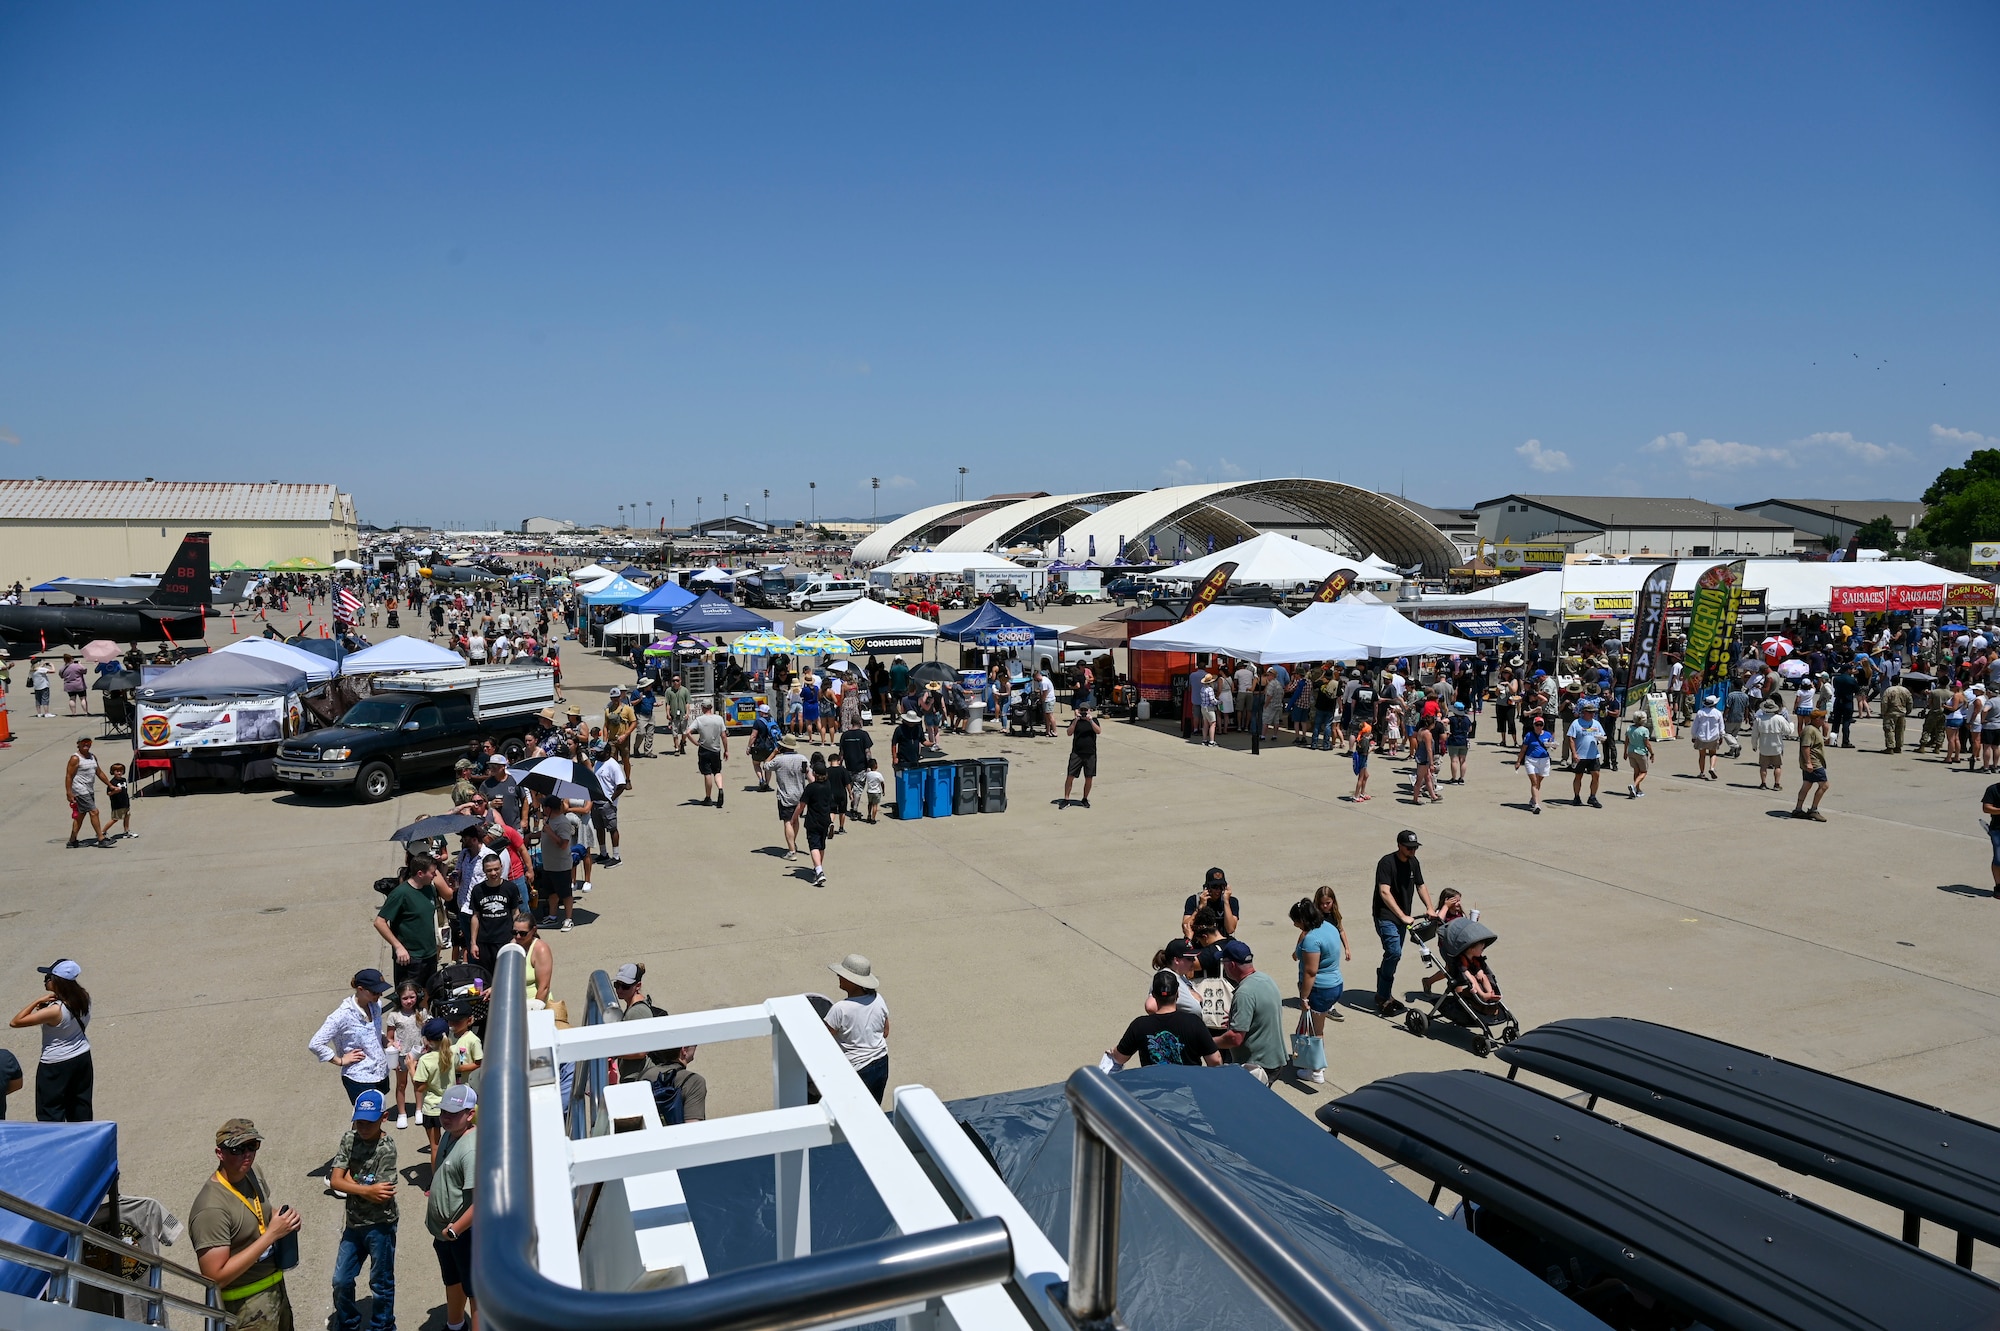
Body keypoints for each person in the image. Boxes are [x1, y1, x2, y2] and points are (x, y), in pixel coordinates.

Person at [192, 1118, 301, 1331]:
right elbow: (215, 1277)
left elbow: (261, 1212)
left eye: (253, 1146)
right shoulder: (211, 1210)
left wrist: (282, 1219)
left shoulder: (252, 1172)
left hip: (275, 1298)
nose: (247, 1154)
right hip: (244, 1313)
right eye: (238, 1149)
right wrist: (271, 1235)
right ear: (220, 1153)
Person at [330, 1090, 398, 1331]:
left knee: (380, 1282)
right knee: (341, 1280)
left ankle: (383, 1325)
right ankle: (348, 1323)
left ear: (384, 1118)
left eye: (370, 1122)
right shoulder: (349, 1139)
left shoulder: (386, 1148)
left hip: (381, 1224)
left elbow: (381, 1194)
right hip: (354, 1224)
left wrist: (350, 1180)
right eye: (360, 1121)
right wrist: (364, 1188)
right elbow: (335, 1180)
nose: (364, 1127)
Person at [10, 959, 93, 1121]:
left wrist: (38, 1001)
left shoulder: (55, 1010)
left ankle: (55, 1143)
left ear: (57, 981)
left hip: (55, 1064)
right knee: (80, 1105)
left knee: (50, 1110)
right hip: (82, 1057)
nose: (45, 981)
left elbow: (16, 1022)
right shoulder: (83, 998)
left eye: (48, 977)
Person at [426, 1084, 479, 1331]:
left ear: (470, 1114)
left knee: (476, 1292)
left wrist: (455, 1230)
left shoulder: (471, 1149)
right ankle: (455, 1325)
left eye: (453, 1113)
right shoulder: (449, 1134)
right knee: (453, 1280)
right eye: (443, 1111)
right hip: (445, 1234)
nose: (445, 1117)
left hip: (463, 1235)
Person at [1371, 830, 1434, 1018]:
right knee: (1394, 952)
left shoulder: (1414, 863)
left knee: (1394, 955)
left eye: (1415, 847)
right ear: (1399, 845)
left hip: (1404, 916)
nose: (1413, 851)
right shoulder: (1386, 863)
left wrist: (1430, 908)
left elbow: (1421, 885)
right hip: (1386, 916)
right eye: (1409, 848)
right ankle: (1383, 995)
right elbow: (1384, 892)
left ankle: (1383, 988)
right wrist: (1401, 915)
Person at [308, 970, 395, 1105]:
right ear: (360, 989)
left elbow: (376, 1031)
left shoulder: (376, 1005)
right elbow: (316, 1043)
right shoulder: (341, 1015)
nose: (380, 995)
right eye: (375, 992)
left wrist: (387, 1043)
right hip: (359, 1078)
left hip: (380, 1072)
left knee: (378, 1116)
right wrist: (340, 1060)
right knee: (366, 1121)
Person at [1109, 972, 1223, 1067]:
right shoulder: (1194, 1023)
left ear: (1153, 995)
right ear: (1177, 994)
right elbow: (1215, 1060)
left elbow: (1119, 1058)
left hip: (1153, 1091)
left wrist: (1113, 1052)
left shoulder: (1139, 1025)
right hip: (1188, 1089)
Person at [1209, 941, 1286, 1083]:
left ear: (1231, 965)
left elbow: (1235, 1038)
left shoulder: (1244, 993)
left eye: (1223, 962)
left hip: (1257, 1066)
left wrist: (1208, 1043)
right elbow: (1262, 1014)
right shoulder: (1265, 979)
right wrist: (1237, 1018)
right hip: (1274, 1060)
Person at [824, 954, 890, 1104]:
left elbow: (823, 1039)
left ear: (854, 982)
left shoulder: (840, 1009)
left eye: (843, 975)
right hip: (881, 1064)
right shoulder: (878, 999)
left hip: (857, 1070)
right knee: (872, 1112)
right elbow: (885, 1032)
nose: (838, 976)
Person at [375, 855, 446, 990]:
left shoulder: (430, 889)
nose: (435, 876)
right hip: (410, 958)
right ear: (420, 873)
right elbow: (379, 922)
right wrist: (398, 947)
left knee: (430, 992)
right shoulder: (400, 894)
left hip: (430, 954)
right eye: (432, 873)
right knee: (409, 998)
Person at [1291, 897, 1346, 1066]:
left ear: (1303, 920)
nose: (1295, 925)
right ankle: (1309, 1062)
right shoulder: (1329, 927)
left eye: (1296, 921)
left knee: (1315, 1031)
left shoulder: (1311, 940)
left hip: (1319, 990)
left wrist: (1304, 998)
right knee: (1311, 1028)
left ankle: (1316, 1069)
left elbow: (1310, 971)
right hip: (1335, 984)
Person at [383, 982, 426, 1130]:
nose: (409, 1001)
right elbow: (389, 1038)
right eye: (405, 998)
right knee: (401, 1084)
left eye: (412, 997)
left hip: (419, 1054)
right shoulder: (394, 1015)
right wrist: (392, 1045)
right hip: (401, 1055)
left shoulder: (423, 1012)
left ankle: (419, 1109)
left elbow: (427, 1032)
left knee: (418, 1083)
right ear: (398, 999)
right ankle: (402, 1113)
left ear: (418, 996)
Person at [536, 793, 579, 932]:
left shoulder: (562, 823)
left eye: (544, 806)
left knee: (565, 894)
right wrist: (533, 835)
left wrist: (550, 832)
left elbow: (564, 844)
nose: (542, 809)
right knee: (551, 893)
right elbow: (544, 835)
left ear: (548, 808)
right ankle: (552, 916)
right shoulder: (548, 821)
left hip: (561, 866)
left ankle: (568, 919)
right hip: (549, 865)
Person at [768, 736, 811, 859]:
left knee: (787, 822)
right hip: (800, 794)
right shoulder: (802, 758)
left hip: (785, 795)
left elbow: (766, 766)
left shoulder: (779, 760)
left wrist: (774, 753)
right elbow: (808, 772)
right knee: (795, 820)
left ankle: (792, 851)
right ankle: (793, 843)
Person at [64, 736, 107, 849]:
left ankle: (72, 841)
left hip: (89, 789)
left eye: (88, 742)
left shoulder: (93, 757)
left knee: (80, 815)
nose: (86, 744)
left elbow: (99, 772)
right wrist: (69, 792)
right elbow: (69, 776)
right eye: (83, 742)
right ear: (78, 744)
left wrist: (110, 785)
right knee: (94, 811)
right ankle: (101, 838)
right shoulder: (75, 758)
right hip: (79, 790)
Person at [801, 753, 836, 886]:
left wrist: (795, 816)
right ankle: (817, 867)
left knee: (814, 845)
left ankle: (820, 871)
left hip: (813, 820)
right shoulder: (827, 785)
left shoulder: (811, 788)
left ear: (814, 773)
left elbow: (802, 804)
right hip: (825, 820)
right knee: (821, 845)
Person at [1567, 700, 1607, 808]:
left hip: (1593, 755)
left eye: (1594, 712)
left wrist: (1601, 739)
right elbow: (1571, 738)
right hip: (1581, 755)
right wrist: (1574, 753)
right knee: (1578, 776)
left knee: (1596, 775)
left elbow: (1602, 736)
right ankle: (1576, 797)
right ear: (1584, 712)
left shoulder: (1596, 723)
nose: (1592, 714)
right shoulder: (1576, 723)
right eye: (1590, 712)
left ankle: (1592, 797)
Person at [1794, 707, 1831, 822]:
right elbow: (1806, 746)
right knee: (1824, 785)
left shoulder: (1815, 729)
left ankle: (1798, 809)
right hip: (1814, 763)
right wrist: (1808, 762)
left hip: (1813, 762)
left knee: (1807, 784)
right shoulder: (1809, 730)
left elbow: (1815, 744)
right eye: (1822, 718)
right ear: (1815, 719)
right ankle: (1813, 810)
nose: (1824, 720)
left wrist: (1826, 739)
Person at [1183, 867, 1241, 940]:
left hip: (1222, 942)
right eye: (1215, 887)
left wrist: (1226, 902)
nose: (1218, 890)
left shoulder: (1231, 901)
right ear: (1207, 887)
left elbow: (1230, 929)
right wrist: (1200, 907)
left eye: (1221, 887)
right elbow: (1186, 926)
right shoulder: (1194, 900)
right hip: (1200, 942)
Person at [1062, 704, 1100, 808]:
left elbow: (1098, 731)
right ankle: (1066, 799)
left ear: (1089, 710)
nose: (1084, 712)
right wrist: (1076, 720)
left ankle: (1085, 798)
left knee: (1089, 777)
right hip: (1076, 753)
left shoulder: (1094, 721)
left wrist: (1090, 720)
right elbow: (1069, 733)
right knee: (1070, 776)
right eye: (1082, 710)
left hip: (1090, 753)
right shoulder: (1075, 721)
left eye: (1085, 710)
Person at [691, 699, 728, 806]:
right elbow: (724, 736)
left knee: (707, 773)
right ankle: (720, 788)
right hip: (716, 749)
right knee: (717, 771)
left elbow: (688, 732)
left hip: (704, 749)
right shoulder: (719, 719)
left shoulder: (699, 720)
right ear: (711, 707)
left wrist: (695, 742)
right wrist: (726, 750)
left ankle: (708, 797)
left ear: (703, 708)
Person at [1753, 696, 1793, 789]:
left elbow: (1754, 734)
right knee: (1777, 766)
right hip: (1777, 746)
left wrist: (1754, 745)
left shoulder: (1759, 719)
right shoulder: (1779, 718)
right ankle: (1776, 784)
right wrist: (1791, 725)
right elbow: (1788, 731)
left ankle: (1763, 783)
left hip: (1764, 746)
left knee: (1763, 766)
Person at [1515, 713, 1552, 814]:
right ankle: (1536, 804)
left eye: (1541, 725)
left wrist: (1552, 746)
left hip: (1544, 760)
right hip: (1531, 760)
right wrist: (1518, 761)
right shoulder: (1529, 735)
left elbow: (1551, 745)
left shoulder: (1548, 735)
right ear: (1534, 725)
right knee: (1534, 782)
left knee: (1539, 781)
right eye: (1537, 724)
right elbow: (1523, 749)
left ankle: (1533, 799)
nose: (1539, 727)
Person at [1690, 694, 1725, 780]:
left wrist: (1693, 736)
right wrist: (1722, 736)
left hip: (1701, 736)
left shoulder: (1700, 712)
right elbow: (1721, 727)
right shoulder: (1718, 713)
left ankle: (1702, 772)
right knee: (1713, 753)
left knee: (1702, 755)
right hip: (1713, 737)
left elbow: (1695, 726)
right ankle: (1712, 768)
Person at [1624, 709, 1653, 798]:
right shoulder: (1644, 730)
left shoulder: (1629, 728)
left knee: (1636, 771)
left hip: (1631, 752)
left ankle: (1637, 789)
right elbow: (1647, 743)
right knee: (1643, 772)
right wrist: (1652, 753)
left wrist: (1625, 752)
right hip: (1641, 752)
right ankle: (1634, 785)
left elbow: (1626, 741)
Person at [1880, 676, 1914, 754]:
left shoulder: (1889, 690)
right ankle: (1898, 747)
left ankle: (1890, 747)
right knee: (1900, 730)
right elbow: (1910, 702)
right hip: (1902, 713)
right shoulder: (1905, 690)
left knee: (1889, 730)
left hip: (1891, 713)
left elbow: (1884, 702)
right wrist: (1908, 711)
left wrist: (1883, 712)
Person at [663, 674, 692, 755]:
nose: (675, 682)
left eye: (677, 680)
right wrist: (668, 714)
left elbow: (687, 703)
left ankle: (682, 744)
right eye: (673, 681)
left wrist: (687, 713)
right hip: (674, 715)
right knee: (674, 732)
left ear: (680, 681)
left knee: (684, 732)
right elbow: (667, 704)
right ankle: (676, 748)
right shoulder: (669, 691)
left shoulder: (685, 690)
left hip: (683, 715)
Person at [104, 762, 133, 839]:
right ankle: (102, 832)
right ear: (113, 772)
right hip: (117, 804)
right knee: (115, 819)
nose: (119, 772)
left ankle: (126, 831)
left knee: (127, 815)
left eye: (121, 771)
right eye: (117, 771)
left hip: (125, 802)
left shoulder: (124, 780)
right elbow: (108, 793)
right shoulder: (112, 782)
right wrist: (114, 791)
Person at [1982, 779, 2000, 898]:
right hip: (1997, 829)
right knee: (1999, 859)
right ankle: (1998, 886)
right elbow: (1986, 808)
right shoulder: (1992, 789)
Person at [862, 758, 885, 823]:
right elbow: (882, 783)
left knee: (870, 804)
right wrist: (883, 790)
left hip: (869, 791)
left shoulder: (868, 774)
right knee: (875, 805)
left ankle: (869, 815)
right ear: (876, 766)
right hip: (877, 792)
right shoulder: (878, 774)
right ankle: (873, 818)